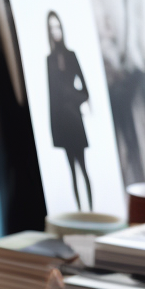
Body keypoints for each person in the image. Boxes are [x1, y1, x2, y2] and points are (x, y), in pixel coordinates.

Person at [45, 11, 93, 210]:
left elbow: (85, 92)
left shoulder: (71, 56)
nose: (56, 32)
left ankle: (91, 211)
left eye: (58, 27)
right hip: (62, 123)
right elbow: (51, 98)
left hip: (75, 119)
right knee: (72, 170)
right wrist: (54, 131)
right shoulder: (49, 60)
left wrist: (72, 98)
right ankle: (80, 213)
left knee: (83, 167)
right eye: (52, 28)